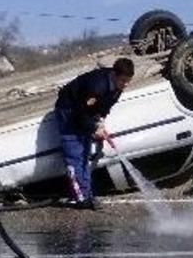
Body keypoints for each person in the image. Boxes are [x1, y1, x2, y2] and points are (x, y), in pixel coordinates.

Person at [54, 58, 135, 210]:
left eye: (128, 81)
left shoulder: (118, 88)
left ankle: (86, 193)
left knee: (84, 154)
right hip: (69, 110)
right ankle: (81, 198)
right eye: (123, 80)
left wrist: (100, 122)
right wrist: (93, 128)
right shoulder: (97, 86)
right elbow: (78, 113)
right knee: (74, 155)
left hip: (84, 111)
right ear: (114, 75)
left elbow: (104, 106)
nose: (125, 84)